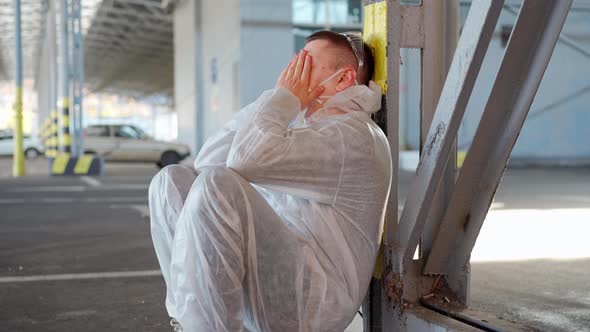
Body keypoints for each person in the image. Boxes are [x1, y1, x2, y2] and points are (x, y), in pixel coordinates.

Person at [149, 30, 392, 332]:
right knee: (169, 181)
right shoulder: (308, 126)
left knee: (217, 187)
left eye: (306, 65)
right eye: (294, 65)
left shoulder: (352, 137)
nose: (294, 75)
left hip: (313, 304)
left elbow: (242, 161)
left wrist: (285, 100)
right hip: (277, 282)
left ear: (343, 80)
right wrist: (276, 98)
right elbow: (208, 160)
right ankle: (192, 323)